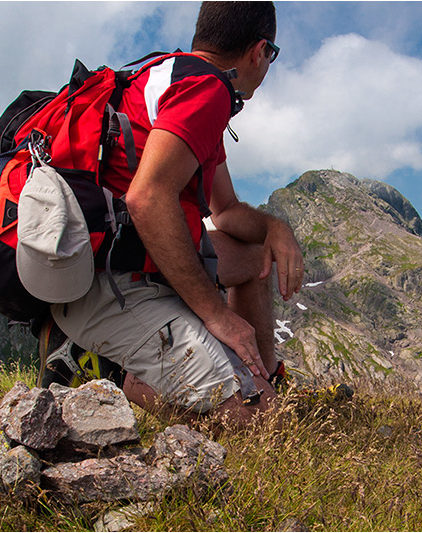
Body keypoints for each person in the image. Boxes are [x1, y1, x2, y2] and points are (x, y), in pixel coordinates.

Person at [48, 1, 302, 426]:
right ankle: (106, 370)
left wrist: (275, 229)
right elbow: (146, 198)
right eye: (272, 55)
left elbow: (227, 212)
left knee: (255, 254)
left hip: (107, 261)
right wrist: (218, 316)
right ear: (259, 51)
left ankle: (265, 380)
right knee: (265, 427)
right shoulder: (205, 90)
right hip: (112, 281)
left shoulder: (169, 76)